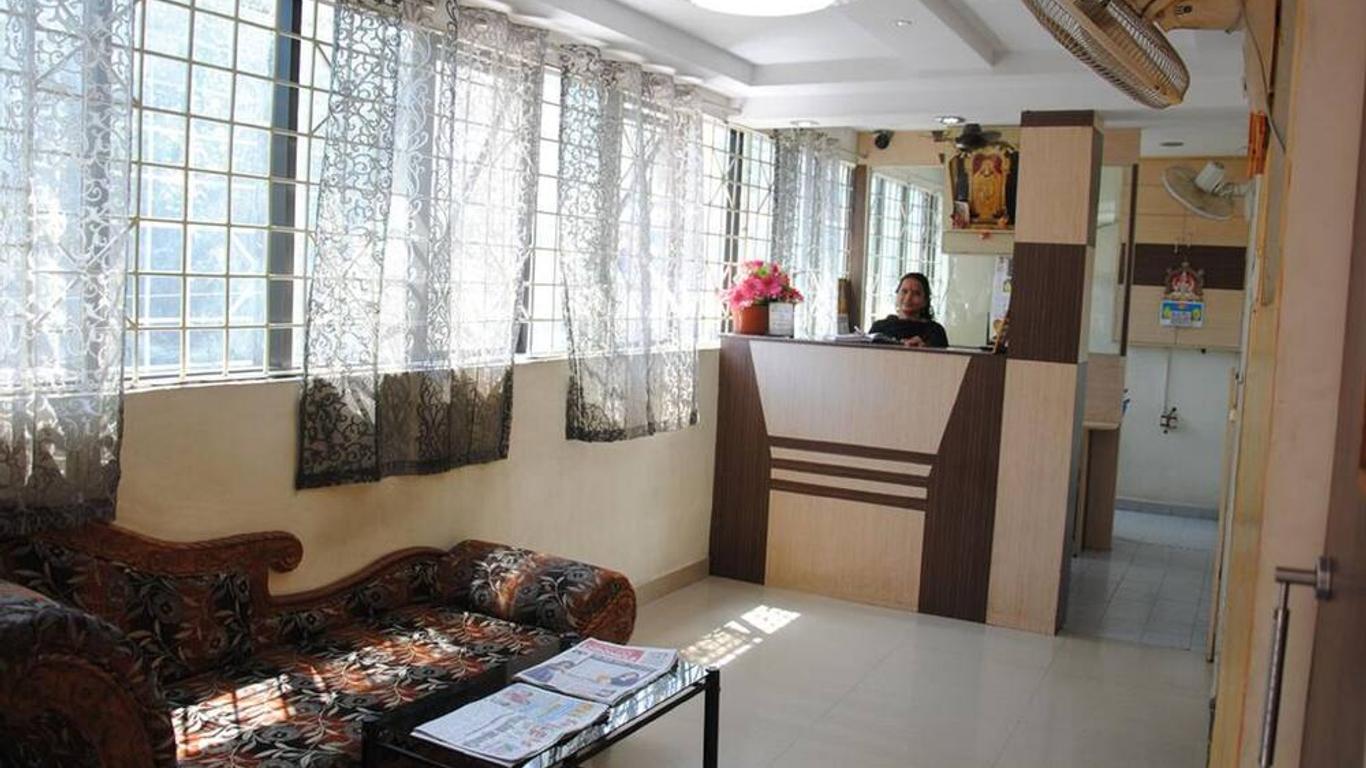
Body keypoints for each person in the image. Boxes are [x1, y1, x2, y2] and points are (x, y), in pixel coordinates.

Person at [869, 272, 949, 348]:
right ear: (897, 295)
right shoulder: (879, 327)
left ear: (925, 301)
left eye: (916, 293)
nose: (908, 298)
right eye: (904, 291)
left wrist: (924, 349)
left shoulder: (935, 331)